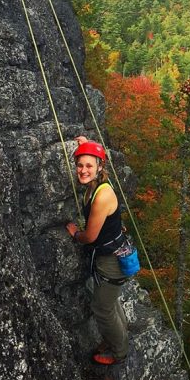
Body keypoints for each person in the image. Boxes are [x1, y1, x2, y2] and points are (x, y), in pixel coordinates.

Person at [66, 137, 129, 365]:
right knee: (110, 302)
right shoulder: (99, 183)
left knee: (102, 309)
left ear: (100, 167)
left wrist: (75, 233)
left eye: (89, 166)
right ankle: (119, 335)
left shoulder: (102, 195)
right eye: (80, 165)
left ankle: (120, 351)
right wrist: (86, 143)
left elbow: (90, 237)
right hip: (113, 254)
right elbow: (96, 155)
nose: (83, 170)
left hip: (110, 261)